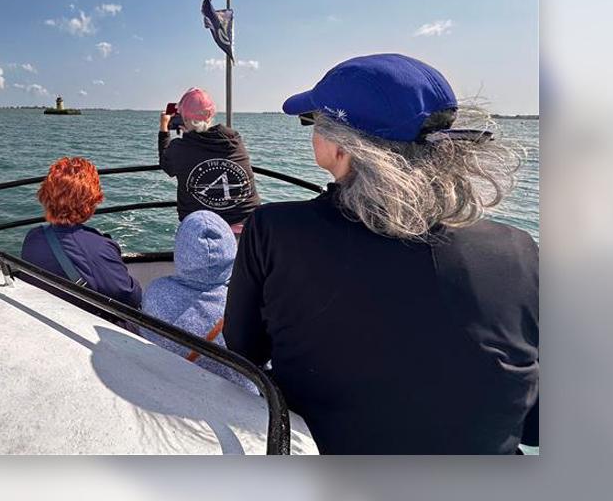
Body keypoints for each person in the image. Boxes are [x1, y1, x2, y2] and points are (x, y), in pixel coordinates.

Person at [223, 53, 538, 454]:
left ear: (341, 148)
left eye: (314, 123)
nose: (312, 134)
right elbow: (535, 424)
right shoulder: (520, 252)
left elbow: (245, 350)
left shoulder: (274, 231)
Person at [140, 211, 256, 393]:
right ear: (231, 248)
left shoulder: (154, 291)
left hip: (164, 385)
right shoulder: (246, 308)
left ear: (181, 248)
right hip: (236, 402)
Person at [19, 157, 142, 315]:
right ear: (91, 201)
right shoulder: (98, 248)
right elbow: (131, 297)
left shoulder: (33, 238)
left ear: (46, 195)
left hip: (50, 318)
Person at [158, 87, 260, 234]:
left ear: (184, 117)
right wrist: (192, 134)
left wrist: (164, 129)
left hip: (202, 231)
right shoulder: (234, 139)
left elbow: (166, 164)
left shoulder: (181, 148)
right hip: (249, 229)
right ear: (211, 115)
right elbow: (205, 147)